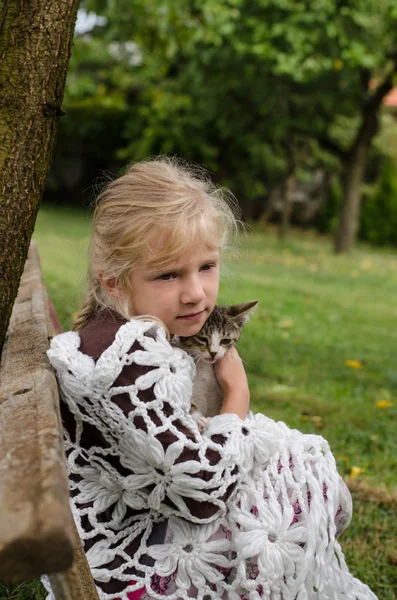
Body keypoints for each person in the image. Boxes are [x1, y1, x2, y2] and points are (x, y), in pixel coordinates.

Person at [43, 157, 377, 600]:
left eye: (207, 266)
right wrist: (238, 392)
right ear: (114, 282)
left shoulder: (121, 332)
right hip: (137, 562)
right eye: (168, 274)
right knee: (292, 501)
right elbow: (205, 493)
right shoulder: (122, 361)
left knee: (298, 470)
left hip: (153, 519)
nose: (196, 292)